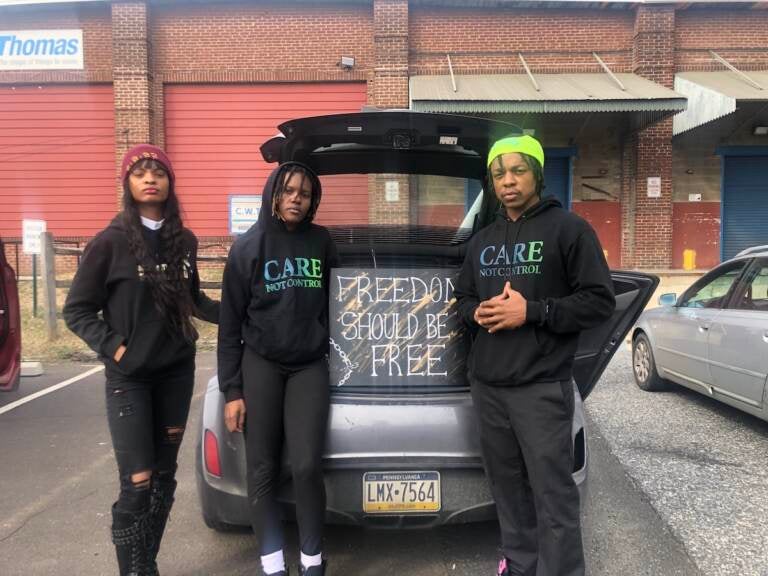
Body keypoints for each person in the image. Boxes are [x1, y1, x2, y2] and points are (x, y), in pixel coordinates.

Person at [454, 135, 615, 576]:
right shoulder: (482, 240)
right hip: (489, 387)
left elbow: (600, 301)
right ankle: (521, 564)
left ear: (537, 175)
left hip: (541, 387)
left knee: (552, 495)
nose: (508, 181)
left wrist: (534, 311)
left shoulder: (569, 229)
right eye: (499, 173)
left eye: (518, 170)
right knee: (507, 490)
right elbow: (463, 298)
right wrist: (478, 312)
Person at [63, 144, 219, 576]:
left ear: (170, 183)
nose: (150, 179)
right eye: (140, 173)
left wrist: (250, 308)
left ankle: (144, 564)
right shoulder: (108, 243)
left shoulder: (183, 241)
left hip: (175, 375)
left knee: (163, 482)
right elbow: (76, 309)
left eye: (159, 172)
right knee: (138, 482)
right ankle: (133, 570)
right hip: (129, 379)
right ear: (128, 184)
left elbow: (195, 301)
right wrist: (116, 348)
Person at [217, 161, 338, 576]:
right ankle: (272, 563)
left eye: (303, 193)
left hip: (308, 366)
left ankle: (312, 561)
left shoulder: (322, 242)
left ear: (312, 200)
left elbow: (340, 305)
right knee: (263, 468)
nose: (295, 199)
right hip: (261, 365)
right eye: (288, 191)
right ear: (273, 193)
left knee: (306, 465)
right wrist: (232, 391)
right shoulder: (248, 247)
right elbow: (230, 325)